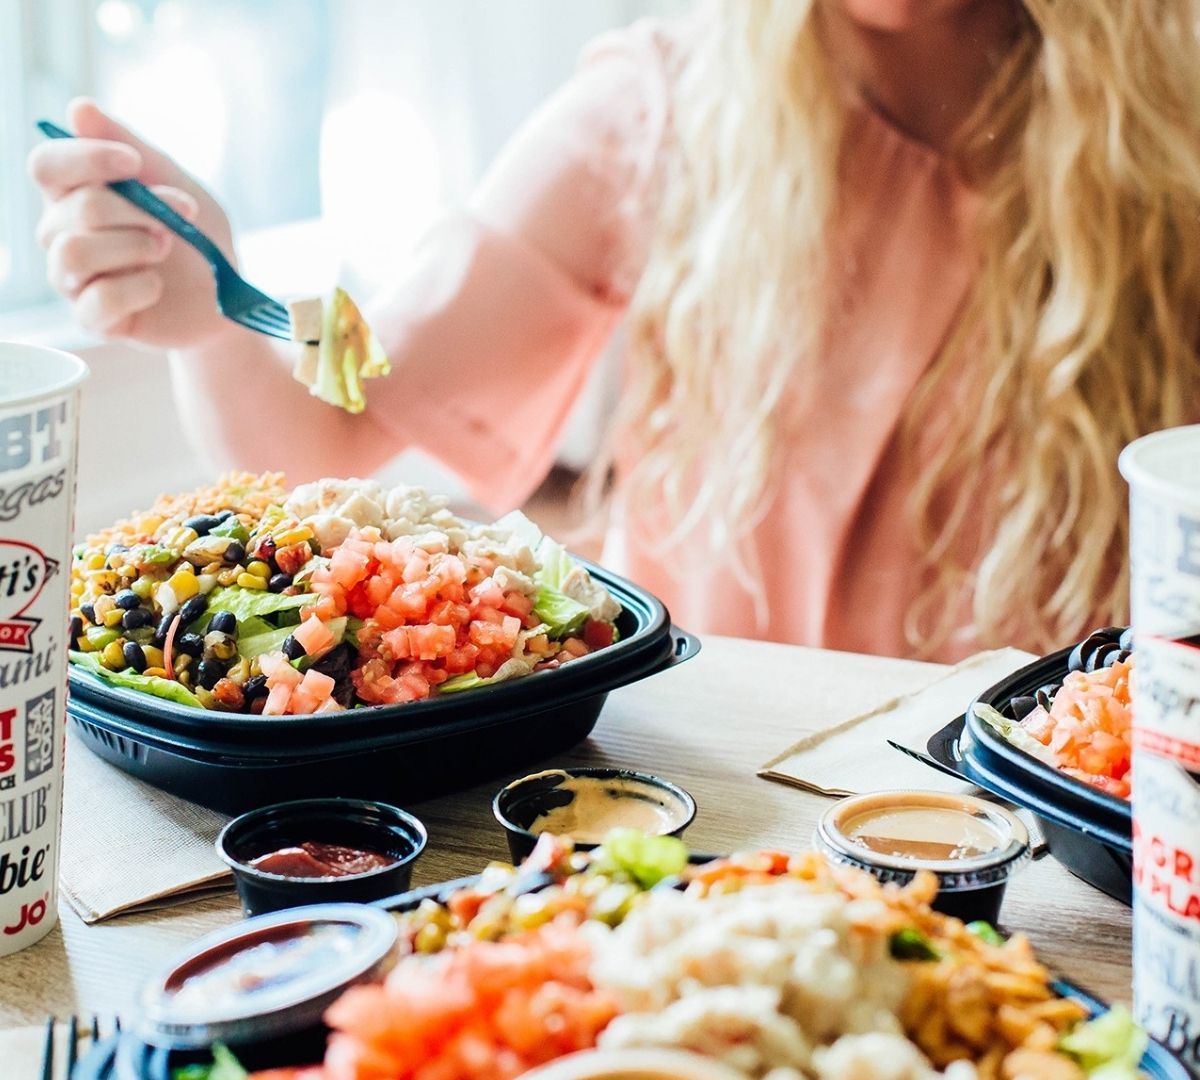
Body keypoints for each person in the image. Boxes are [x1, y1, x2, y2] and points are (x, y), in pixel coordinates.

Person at [27, 0, 1200, 662]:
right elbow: (328, 432)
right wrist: (217, 311)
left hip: (1052, 843)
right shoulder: (661, 101)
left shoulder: (1172, 135)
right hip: (714, 823)